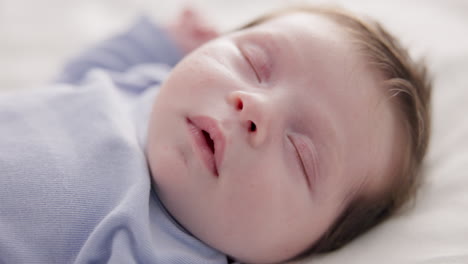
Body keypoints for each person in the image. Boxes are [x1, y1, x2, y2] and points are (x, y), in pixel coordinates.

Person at [0, 5, 431, 264]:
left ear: (302, 249)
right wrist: (160, 42)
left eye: (300, 152)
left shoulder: (159, 251)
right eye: (253, 61)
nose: (254, 106)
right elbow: (73, 80)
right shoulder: (150, 86)